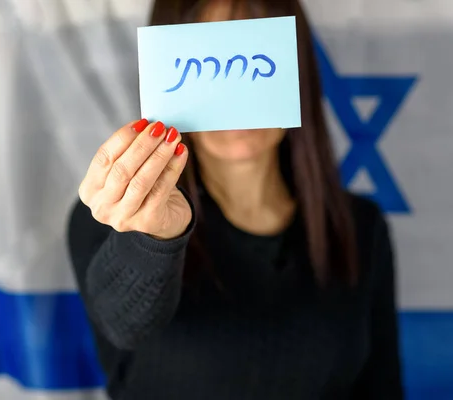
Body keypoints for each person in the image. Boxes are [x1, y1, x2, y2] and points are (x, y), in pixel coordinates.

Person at [67, 0, 404, 398]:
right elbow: (123, 325)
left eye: (256, 62)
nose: (235, 101)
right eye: (210, 64)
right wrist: (154, 239)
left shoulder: (360, 229)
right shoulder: (119, 215)